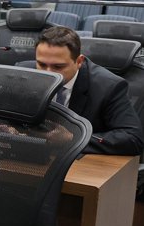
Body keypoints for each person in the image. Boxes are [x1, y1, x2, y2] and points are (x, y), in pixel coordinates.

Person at [30, 27, 143, 156]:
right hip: (35, 156)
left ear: (79, 61)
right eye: (42, 65)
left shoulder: (109, 86)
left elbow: (132, 139)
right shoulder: (25, 74)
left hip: (82, 163)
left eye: (58, 66)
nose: (48, 73)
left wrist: (72, 138)